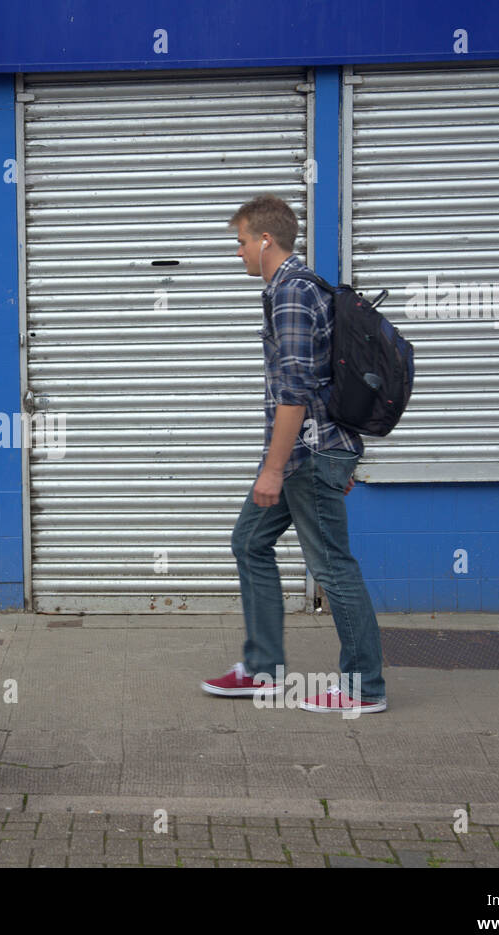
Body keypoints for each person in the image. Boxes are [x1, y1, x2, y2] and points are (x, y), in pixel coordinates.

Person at [200, 195, 386, 714]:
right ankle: (262, 671)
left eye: (240, 243)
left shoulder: (291, 293)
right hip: (312, 455)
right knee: (249, 541)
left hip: (305, 457)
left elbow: (296, 391)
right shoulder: (297, 289)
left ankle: (364, 688)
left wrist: (273, 468)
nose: (237, 254)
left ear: (265, 241)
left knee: (332, 568)